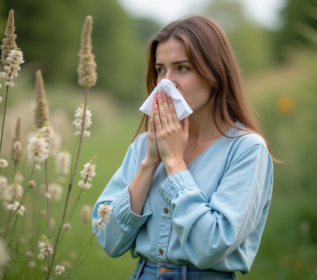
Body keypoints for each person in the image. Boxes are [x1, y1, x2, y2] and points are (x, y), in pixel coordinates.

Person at [93, 15, 277, 280]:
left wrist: (175, 164)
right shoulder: (144, 145)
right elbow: (108, 239)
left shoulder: (246, 149)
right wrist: (150, 163)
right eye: (160, 70)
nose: (167, 83)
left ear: (214, 72)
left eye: (182, 68)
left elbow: (211, 245)